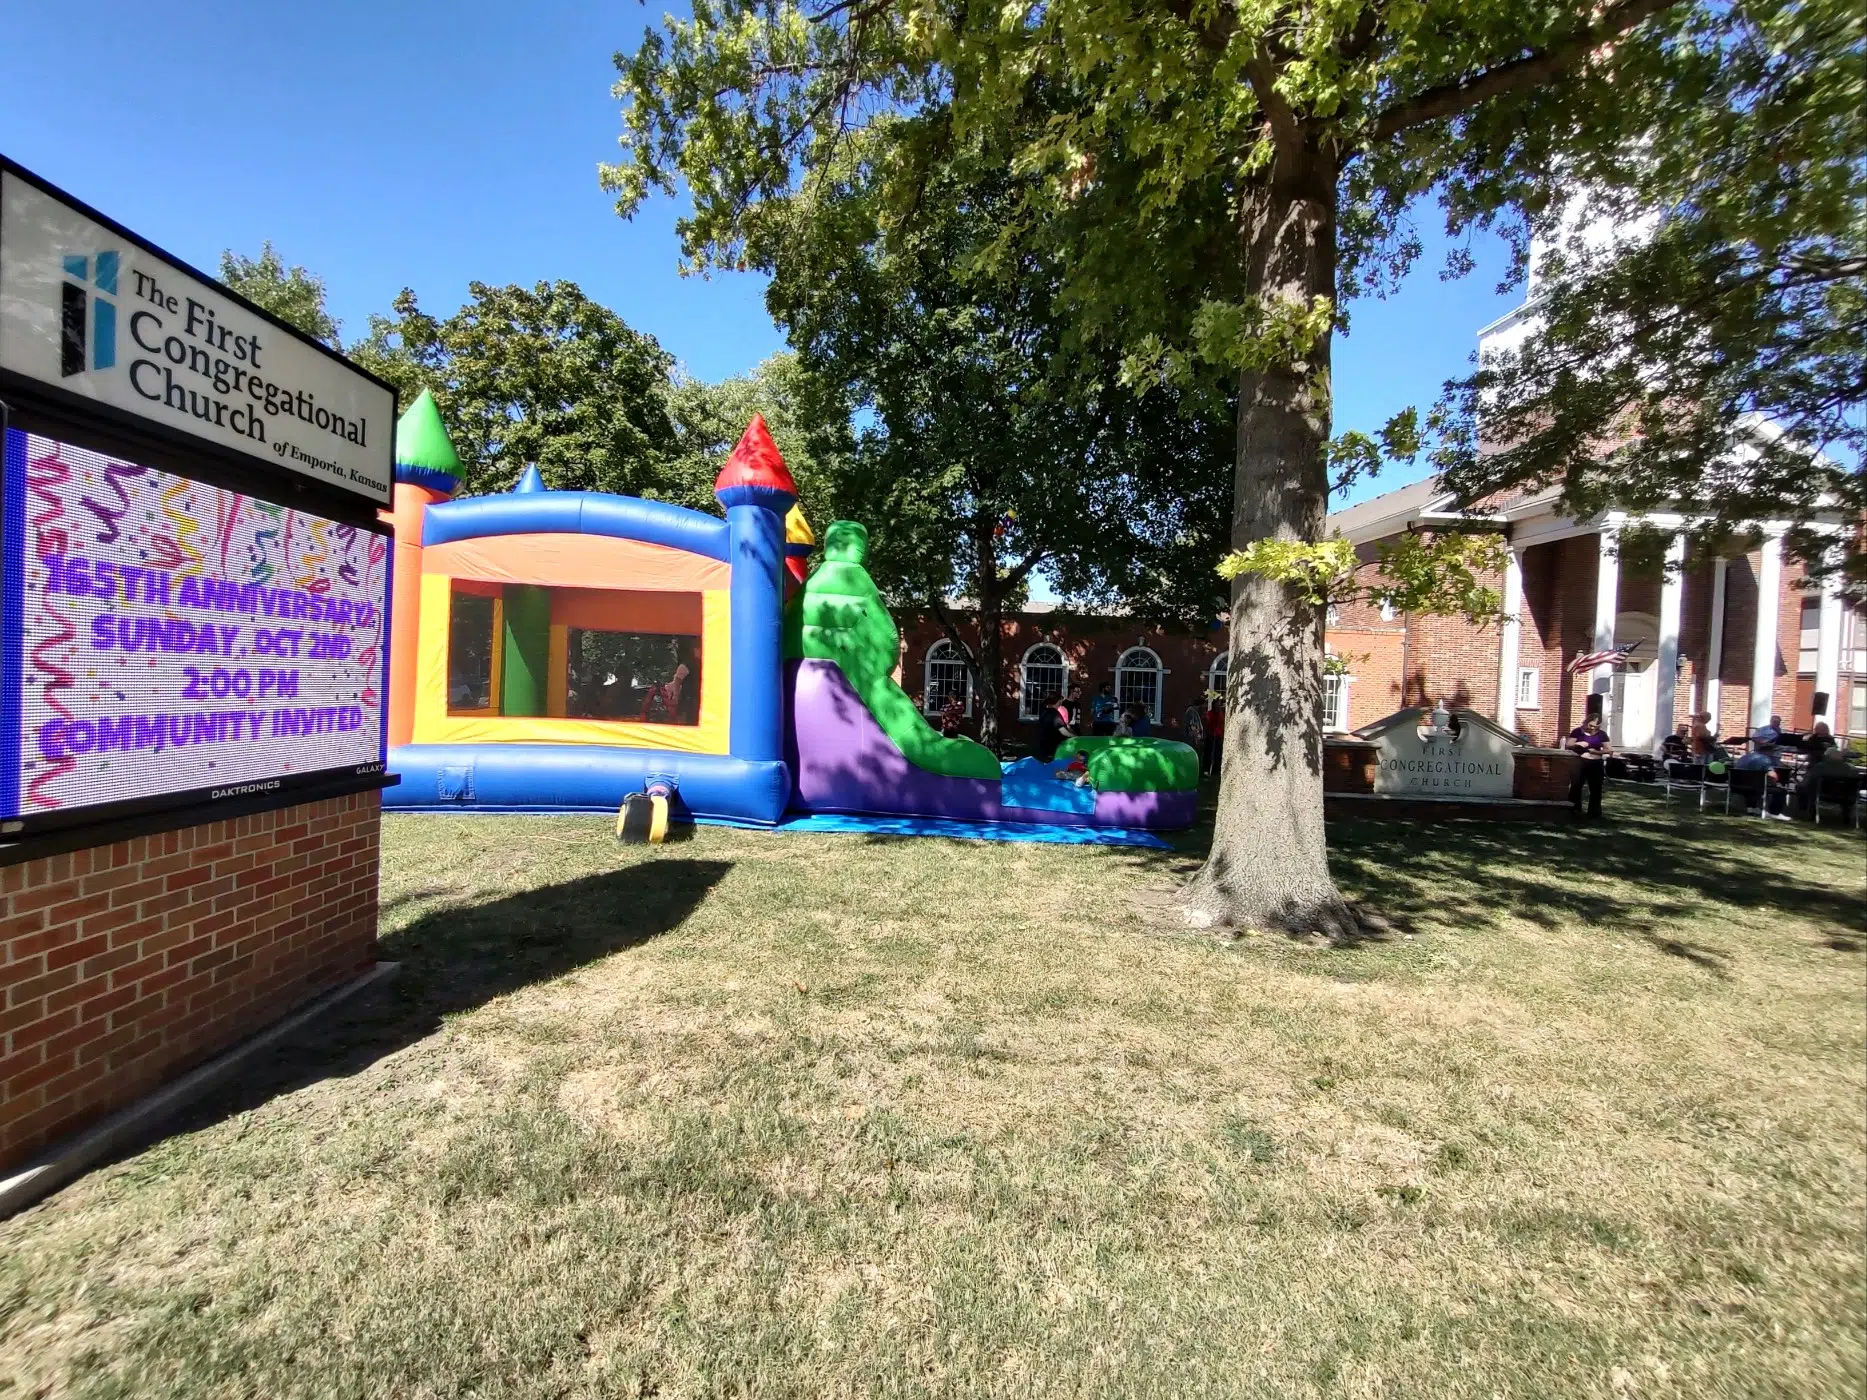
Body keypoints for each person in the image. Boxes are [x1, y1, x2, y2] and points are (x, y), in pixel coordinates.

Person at [1794, 748, 1861, 822]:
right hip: (1847, 796)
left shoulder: (1819, 767)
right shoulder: (1852, 769)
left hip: (1821, 794)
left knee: (1802, 787)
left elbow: (1807, 782)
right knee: (1849, 791)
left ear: (1827, 757)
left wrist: (1801, 785)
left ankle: (1805, 811)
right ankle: (1846, 814)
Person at [1567, 713, 1610, 819]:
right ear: (1586, 722)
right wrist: (1577, 744)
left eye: (1595, 726)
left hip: (1596, 763)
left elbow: (1609, 750)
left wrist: (1597, 752)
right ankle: (1574, 809)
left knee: (1596, 788)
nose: (1592, 728)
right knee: (1576, 786)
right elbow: (1568, 745)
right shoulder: (1577, 731)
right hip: (1581, 762)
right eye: (1590, 725)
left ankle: (1594, 812)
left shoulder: (1602, 734)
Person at [1732, 746, 1790, 818]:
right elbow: (1773, 776)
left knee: (1751, 786)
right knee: (1781, 791)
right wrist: (1776, 783)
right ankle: (1774, 813)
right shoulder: (1765, 760)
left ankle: (1751, 809)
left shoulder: (1744, 757)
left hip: (1737, 785)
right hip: (1756, 787)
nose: (1773, 754)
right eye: (1772, 751)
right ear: (1767, 751)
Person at [1033, 690, 1073, 761]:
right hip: (1052, 748)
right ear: (1059, 701)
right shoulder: (1054, 713)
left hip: (1042, 746)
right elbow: (1063, 731)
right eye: (1061, 700)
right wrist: (1074, 736)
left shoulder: (1043, 711)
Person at [1202, 692, 1224, 777]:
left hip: (1218, 736)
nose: (1218, 708)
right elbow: (1207, 724)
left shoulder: (1221, 715)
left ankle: (1216, 770)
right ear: (1214, 706)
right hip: (1211, 736)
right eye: (1217, 706)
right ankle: (1206, 770)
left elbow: (1222, 725)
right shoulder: (1209, 714)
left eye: (1219, 706)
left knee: (1217, 754)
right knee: (1209, 753)